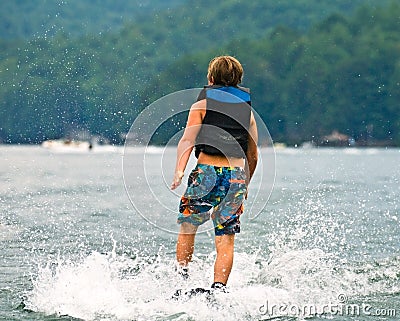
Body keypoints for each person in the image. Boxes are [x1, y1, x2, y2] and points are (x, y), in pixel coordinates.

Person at [170, 55, 258, 291]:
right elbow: (253, 155)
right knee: (226, 236)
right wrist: (246, 183)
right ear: (238, 80)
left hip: (207, 172)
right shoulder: (247, 113)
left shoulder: (202, 105)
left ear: (210, 78)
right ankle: (219, 289)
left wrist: (179, 170)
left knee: (189, 225)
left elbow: (188, 139)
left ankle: (182, 282)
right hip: (236, 176)